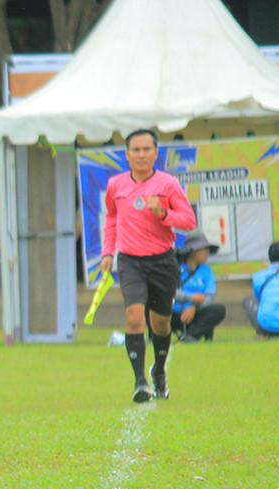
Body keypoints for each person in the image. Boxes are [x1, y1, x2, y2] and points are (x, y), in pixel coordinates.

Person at [100, 129, 197, 402]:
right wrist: (108, 251)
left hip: (162, 261)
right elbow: (110, 219)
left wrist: (163, 213)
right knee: (134, 318)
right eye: (136, 150)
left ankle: (159, 374)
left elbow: (189, 221)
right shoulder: (116, 185)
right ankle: (140, 381)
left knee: (161, 325)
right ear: (127, 154)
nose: (141, 155)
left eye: (146, 150)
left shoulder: (167, 185)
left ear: (156, 153)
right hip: (130, 261)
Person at [173, 232, 227, 342]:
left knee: (219, 310)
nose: (207, 253)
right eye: (204, 250)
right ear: (193, 252)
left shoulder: (207, 271)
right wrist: (191, 298)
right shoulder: (175, 268)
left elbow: (209, 298)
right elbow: (169, 293)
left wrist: (193, 308)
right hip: (175, 314)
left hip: (196, 313)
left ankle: (190, 336)